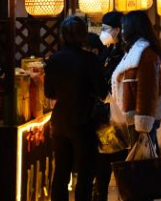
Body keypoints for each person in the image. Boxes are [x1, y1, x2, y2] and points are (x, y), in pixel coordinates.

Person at [45, 16, 108, 201]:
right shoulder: (89, 60)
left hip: (60, 121)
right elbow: (102, 91)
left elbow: (49, 93)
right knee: (86, 173)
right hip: (84, 120)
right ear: (83, 36)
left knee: (61, 172)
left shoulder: (54, 59)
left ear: (63, 35)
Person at [111, 11, 161, 162]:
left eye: (124, 27)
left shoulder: (145, 54)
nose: (122, 31)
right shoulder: (134, 51)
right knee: (141, 161)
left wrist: (143, 124)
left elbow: (147, 91)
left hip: (141, 120)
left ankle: (149, 186)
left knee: (145, 162)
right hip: (133, 119)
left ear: (133, 28)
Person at [92, 11, 127, 201]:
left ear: (117, 30)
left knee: (121, 165)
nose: (103, 32)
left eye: (106, 29)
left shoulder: (125, 54)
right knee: (102, 169)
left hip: (119, 118)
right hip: (104, 121)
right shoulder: (106, 51)